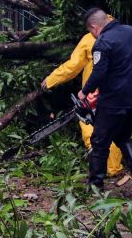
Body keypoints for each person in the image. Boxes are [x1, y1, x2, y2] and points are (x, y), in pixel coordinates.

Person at [40, 24, 127, 183]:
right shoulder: (126, 36)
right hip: (121, 95)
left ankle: (106, 170)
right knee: (114, 131)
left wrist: (51, 80)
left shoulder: (90, 39)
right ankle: (113, 169)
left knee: (91, 132)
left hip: (94, 96)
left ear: (94, 26)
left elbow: (73, 66)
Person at [76, 8, 132, 189]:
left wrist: (84, 92)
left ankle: (95, 184)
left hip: (113, 101)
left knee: (99, 141)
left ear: (94, 26)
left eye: (91, 31)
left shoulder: (103, 42)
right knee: (123, 136)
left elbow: (98, 72)